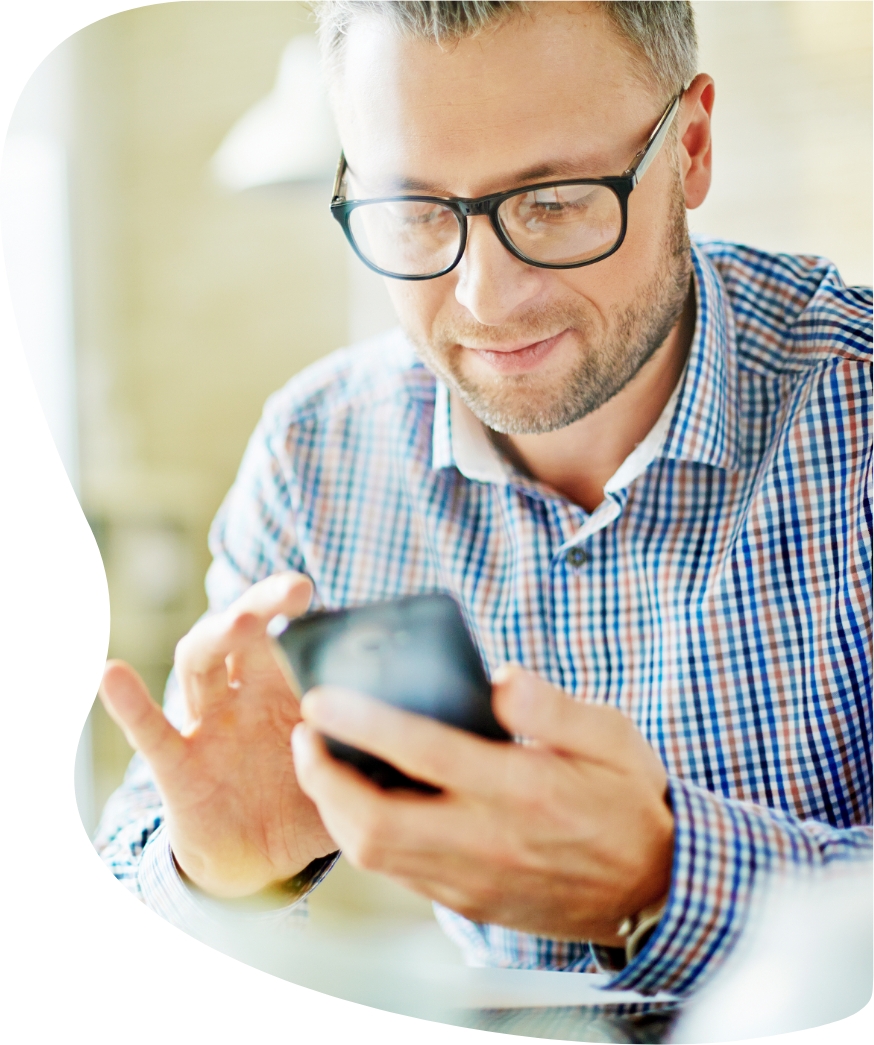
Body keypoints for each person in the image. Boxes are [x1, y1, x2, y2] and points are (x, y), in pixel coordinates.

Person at [95, 0, 872, 999]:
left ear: (690, 146)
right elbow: (116, 913)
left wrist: (661, 877)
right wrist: (218, 874)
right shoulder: (317, 451)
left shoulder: (853, 415)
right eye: (414, 211)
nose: (484, 300)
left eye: (552, 202)